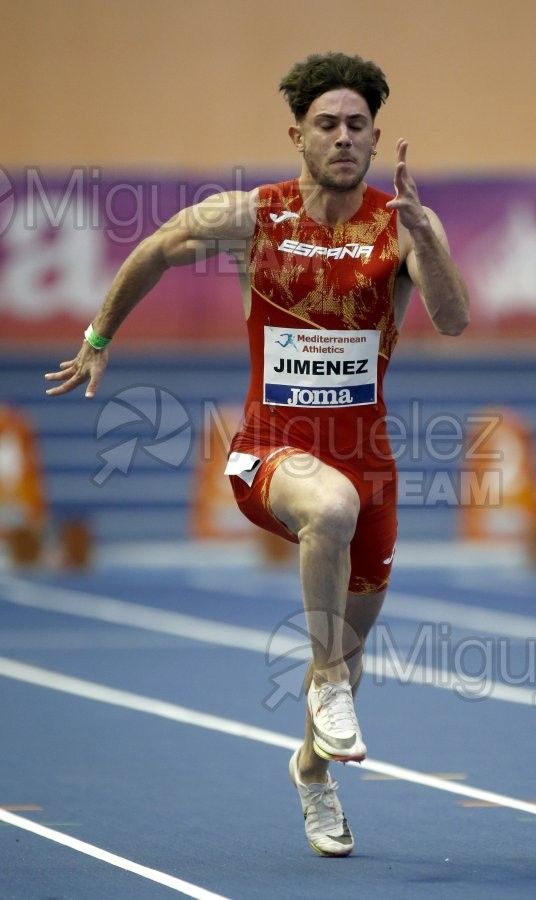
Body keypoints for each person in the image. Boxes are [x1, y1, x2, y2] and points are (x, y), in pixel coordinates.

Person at [45, 52, 469, 858]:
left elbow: (450, 320)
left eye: (356, 126)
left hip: (368, 461)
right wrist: (100, 336)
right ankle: (329, 682)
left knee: (351, 634)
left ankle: (311, 768)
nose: (343, 138)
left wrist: (427, 243)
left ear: (376, 138)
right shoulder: (255, 215)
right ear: (296, 135)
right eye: (326, 125)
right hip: (272, 451)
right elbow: (157, 247)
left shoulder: (403, 224)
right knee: (329, 517)